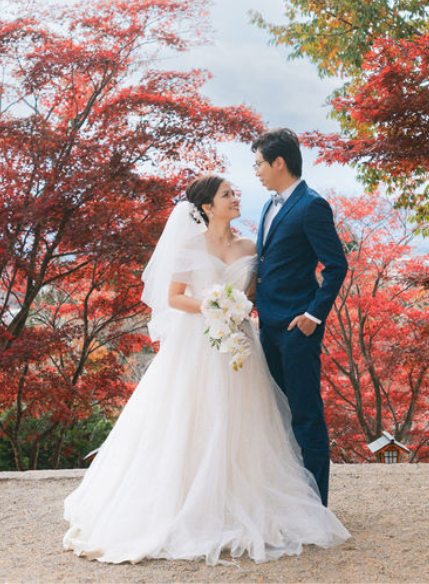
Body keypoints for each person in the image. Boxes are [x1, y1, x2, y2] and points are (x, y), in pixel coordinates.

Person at [62, 175, 349, 565]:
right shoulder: (188, 247)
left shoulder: (250, 245)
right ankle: (191, 504)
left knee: (246, 421)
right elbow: (175, 297)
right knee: (197, 418)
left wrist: (244, 307)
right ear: (207, 207)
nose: (235, 198)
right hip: (200, 344)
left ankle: (247, 500)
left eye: (234, 192)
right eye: (226, 194)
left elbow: (253, 292)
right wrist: (215, 307)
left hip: (241, 343)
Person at [251, 128, 348, 506]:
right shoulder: (268, 205)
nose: (256, 171)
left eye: (259, 163)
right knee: (277, 416)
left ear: (279, 162)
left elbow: (337, 266)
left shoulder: (312, 205)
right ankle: (290, 501)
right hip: (267, 326)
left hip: (297, 329)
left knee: (306, 416)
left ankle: (317, 506)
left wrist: (313, 315)